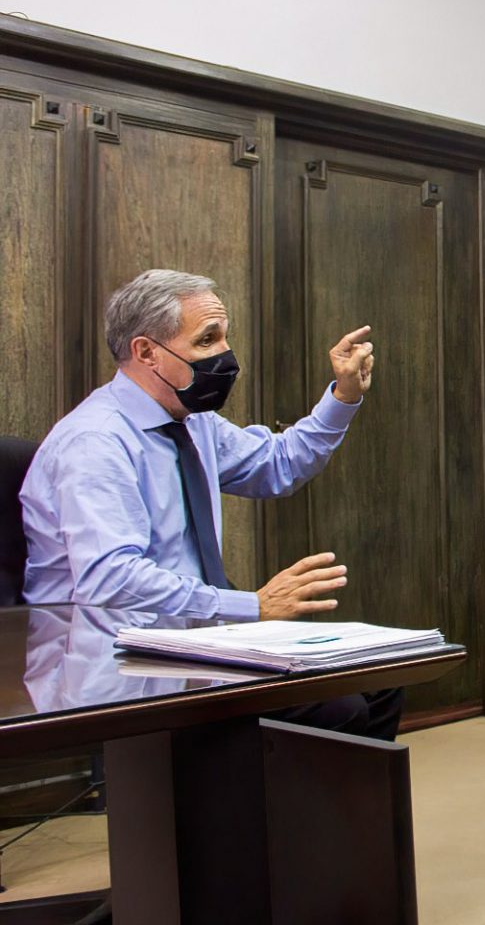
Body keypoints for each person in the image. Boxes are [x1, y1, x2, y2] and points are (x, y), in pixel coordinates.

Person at [20, 268, 400, 740]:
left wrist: (343, 395)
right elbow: (111, 579)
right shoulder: (95, 442)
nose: (225, 354)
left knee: (379, 681)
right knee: (337, 709)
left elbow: (275, 464)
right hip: (119, 660)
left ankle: (328, 794)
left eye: (224, 336)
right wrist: (252, 605)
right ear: (146, 352)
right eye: (207, 340)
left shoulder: (191, 419)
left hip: (199, 638)